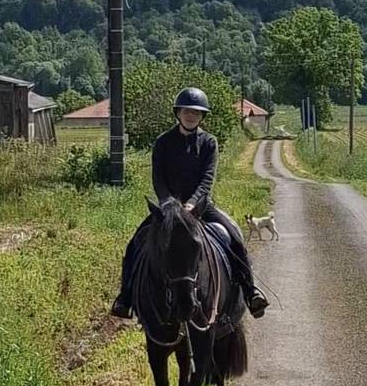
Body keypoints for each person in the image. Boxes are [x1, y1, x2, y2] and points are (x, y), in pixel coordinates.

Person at [111, 87, 269, 319]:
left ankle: (250, 291)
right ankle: (125, 298)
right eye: (187, 111)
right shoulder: (162, 142)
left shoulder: (209, 143)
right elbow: (158, 178)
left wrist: (192, 205)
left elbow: (207, 179)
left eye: (196, 112)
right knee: (135, 242)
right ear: (178, 113)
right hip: (168, 211)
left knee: (234, 235)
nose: (191, 116)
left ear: (202, 116)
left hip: (201, 208)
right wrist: (169, 205)